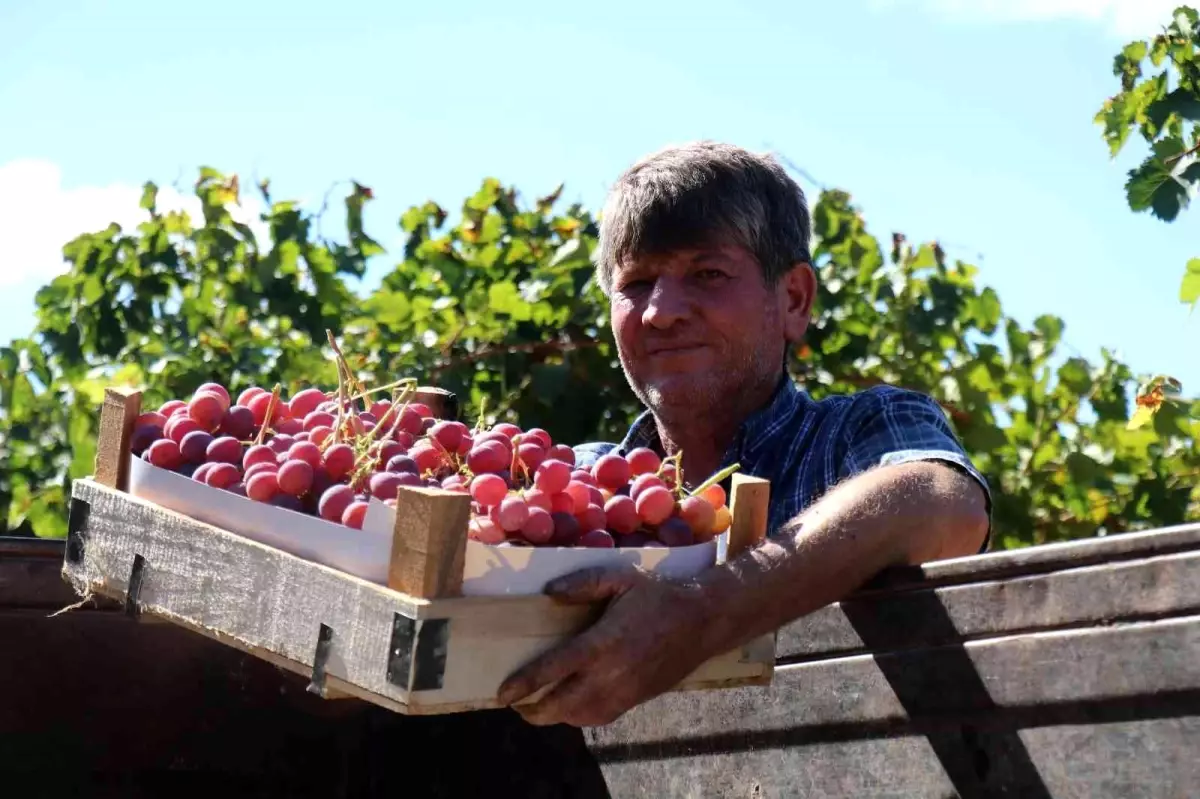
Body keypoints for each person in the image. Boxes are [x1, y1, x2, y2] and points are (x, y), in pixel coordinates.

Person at [496, 141, 991, 728]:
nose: (661, 311)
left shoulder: (852, 437)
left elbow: (944, 501)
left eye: (707, 274)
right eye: (636, 283)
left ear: (794, 299)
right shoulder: (576, 483)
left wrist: (701, 614)